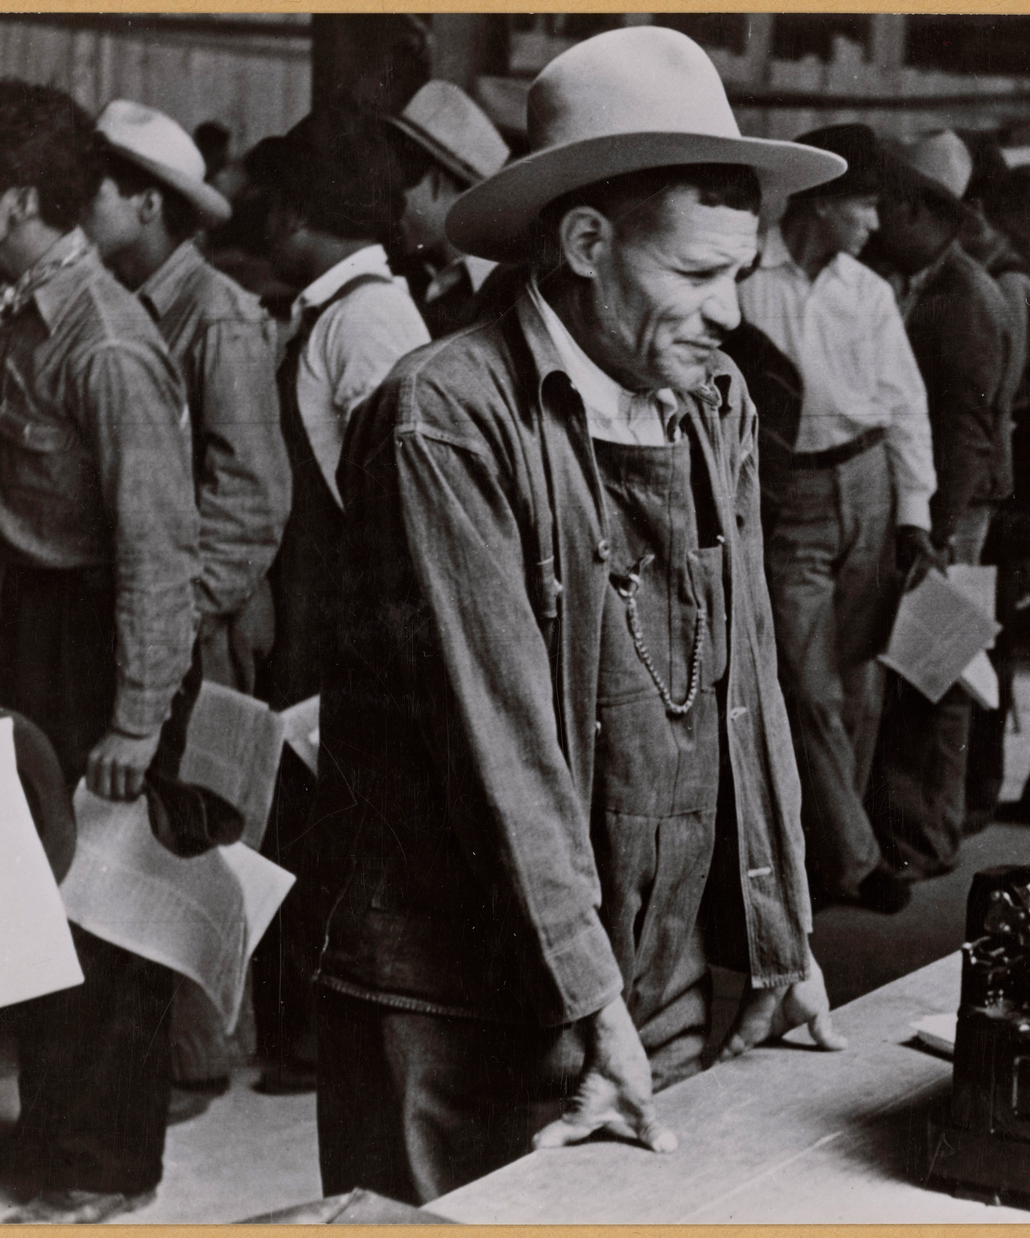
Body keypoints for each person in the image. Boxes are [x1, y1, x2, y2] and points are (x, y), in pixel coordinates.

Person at [309, 27, 849, 1204]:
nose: (729, 313)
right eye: (698, 276)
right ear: (587, 243)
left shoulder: (713, 402)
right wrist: (589, 1001)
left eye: (742, 272)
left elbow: (742, 683)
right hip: (452, 1000)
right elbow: (494, 737)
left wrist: (779, 931)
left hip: (642, 973)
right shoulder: (442, 417)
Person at [0, 77, 200, 1225]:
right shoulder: (9, 306)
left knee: (110, 913)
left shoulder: (104, 342)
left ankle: (108, 1166)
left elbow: (162, 545)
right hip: (35, 627)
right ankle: (53, 1141)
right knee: (42, 902)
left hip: (102, 640)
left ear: (15, 196)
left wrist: (140, 717)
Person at [83, 97, 291, 1121]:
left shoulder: (213, 316)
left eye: (98, 194)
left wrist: (173, 608)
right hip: (168, 625)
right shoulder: (128, 301)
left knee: (193, 833)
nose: (80, 213)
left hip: (202, 632)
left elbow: (254, 498)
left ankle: (194, 1056)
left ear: (149, 206)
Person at [249, 104, 431, 1098]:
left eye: (272, 199)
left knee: (328, 824)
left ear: (299, 210)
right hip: (305, 601)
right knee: (300, 817)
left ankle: (318, 1034)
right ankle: (295, 1027)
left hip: (340, 610)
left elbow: (392, 490)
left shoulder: (368, 317)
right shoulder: (325, 309)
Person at [737, 123, 933, 913]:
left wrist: (913, 513)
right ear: (821, 205)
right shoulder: (746, 281)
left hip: (869, 483)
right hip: (791, 500)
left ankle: (822, 858)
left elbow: (905, 408)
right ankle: (856, 858)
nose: (876, 224)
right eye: (865, 206)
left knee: (859, 688)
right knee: (808, 688)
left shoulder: (868, 293)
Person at [863, 135, 1013, 880]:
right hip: (949, 514)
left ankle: (926, 838)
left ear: (922, 212)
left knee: (940, 674)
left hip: (957, 518)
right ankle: (921, 827)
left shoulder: (963, 302)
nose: (876, 218)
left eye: (887, 204)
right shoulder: (931, 285)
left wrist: (940, 533)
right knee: (932, 670)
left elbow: (967, 432)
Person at [384, 80, 512, 337]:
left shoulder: (507, 294)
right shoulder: (416, 271)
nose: (387, 200)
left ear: (436, 181)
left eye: (400, 180)